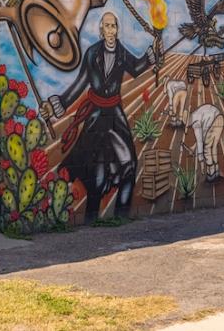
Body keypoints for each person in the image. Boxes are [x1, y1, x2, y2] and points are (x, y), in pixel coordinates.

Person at [42, 12, 153, 223]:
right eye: (107, 26)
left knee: (129, 164)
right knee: (96, 176)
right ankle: (91, 219)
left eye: (114, 26)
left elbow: (137, 68)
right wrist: (58, 104)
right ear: (101, 30)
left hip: (115, 114)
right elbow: (80, 83)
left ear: (117, 30)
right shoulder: (92, 53)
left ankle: (121, 214)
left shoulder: (121, 53)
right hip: (95, 115)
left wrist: (150, 56)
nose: (111, 30)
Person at [189, 103, 224, 182]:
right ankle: (216, 171)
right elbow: (202, 136)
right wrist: (194, 147)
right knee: (214, 146)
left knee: (207, 149)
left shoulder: (195, 123)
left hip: (213, 122)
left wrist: (201, 161)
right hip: (219, 117)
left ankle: (211, 173)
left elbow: (200, 141)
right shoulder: (196, 114)